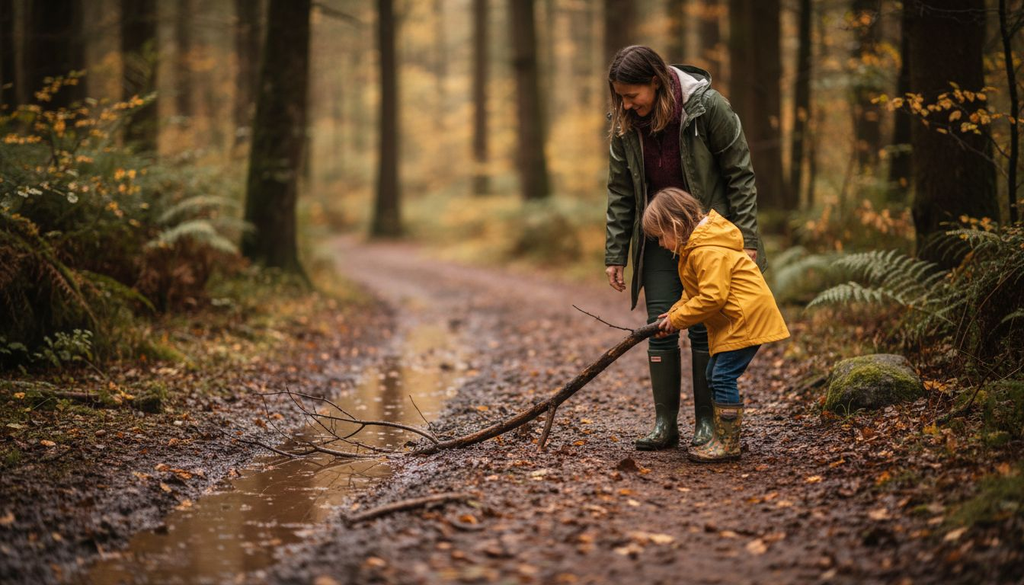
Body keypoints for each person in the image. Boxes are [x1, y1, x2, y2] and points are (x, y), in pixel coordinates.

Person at [604, 45, 765, 451]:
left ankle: (707, 424)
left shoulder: (708, 108)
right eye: (619, 96)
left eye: (631, 95)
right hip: (658, 237)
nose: (625, 104)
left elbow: (740, 175)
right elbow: (621, 192)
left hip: (707, 236)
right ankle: (664, 424)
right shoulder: (625, 124)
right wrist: (615, 253)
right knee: (661, 325)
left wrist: (746, 241)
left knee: (702, 328)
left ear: (655, 83)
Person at [641, 187, 789, 461]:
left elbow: (712, 298)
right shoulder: (696, 247)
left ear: (674, 224)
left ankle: (727, 444)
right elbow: (693, 292)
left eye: (661, 237)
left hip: (745, 320)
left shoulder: (706, 251)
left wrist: (679, 319)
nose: (661, 245)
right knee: (714, 374)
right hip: (737, 320)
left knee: (721, 376)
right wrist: (673, 314)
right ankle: (722, 438)